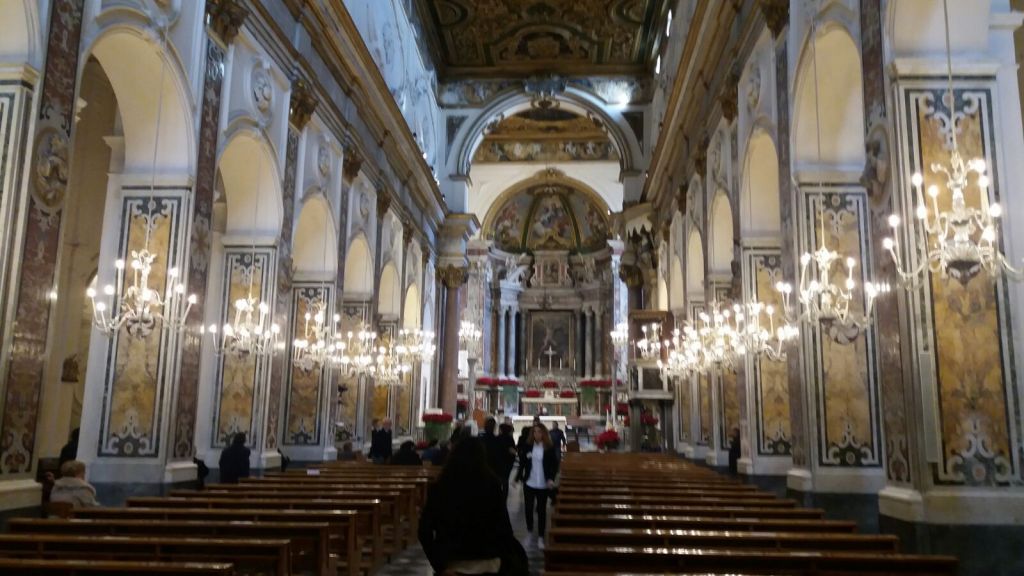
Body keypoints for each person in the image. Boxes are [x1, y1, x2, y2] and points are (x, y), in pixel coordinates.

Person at [418, 437, 528, 576]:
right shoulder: (491, 486)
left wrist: (439, 564)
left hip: (452, 561)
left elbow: (424, 530)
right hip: (487, 561)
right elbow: (504, 528)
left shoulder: (440, 487)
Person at [517, 424, 559, 550]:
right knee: (528, 509)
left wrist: (551, 478)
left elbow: (554, 464)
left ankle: (541, 536)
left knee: (541, 511)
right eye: (534, 432)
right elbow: (523, 462)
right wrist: (518, 477)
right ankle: (529, 533)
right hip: (530, 482)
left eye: (539, 432)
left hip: (543, 483)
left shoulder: (549, 447)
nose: (537, 434)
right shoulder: (528, 445)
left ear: (544, 433)